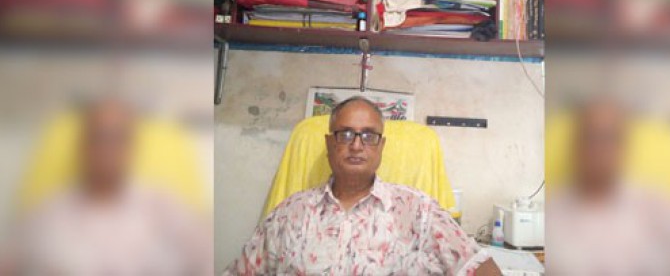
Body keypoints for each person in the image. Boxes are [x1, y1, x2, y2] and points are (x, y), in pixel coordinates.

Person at [225, 96, 501, 275]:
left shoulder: (419, 211)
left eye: (368, 136)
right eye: (345, 134)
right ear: (329, 143)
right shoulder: (289, 214)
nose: (356, 145)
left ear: (381, 146)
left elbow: (482, 268)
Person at [3, 99, 211, 275]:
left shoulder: (164, 208)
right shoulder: (48, 214)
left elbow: (208, 258)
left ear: (131, 147)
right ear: (83, 146)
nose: (107, 148)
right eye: (99, 136)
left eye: (117, 137)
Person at [547, 99, 670, 275]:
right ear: (576, 145)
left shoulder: (653, 204)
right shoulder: (553, 215)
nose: (600, 148)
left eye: (609, 137)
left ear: (623, 147)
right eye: (591, 137)